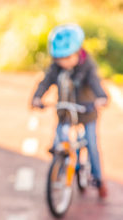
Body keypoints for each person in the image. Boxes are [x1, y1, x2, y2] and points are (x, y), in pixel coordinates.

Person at [31, 24, 108, 198]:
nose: (62, 62)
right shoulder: (56, 67)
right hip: (66, 112)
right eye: (58, 58)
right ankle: (59, 166)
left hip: (87, 112)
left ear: (78, 52)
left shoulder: (87, 65)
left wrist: (101, 97)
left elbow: (96, 83)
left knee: (91, 143)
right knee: (60, 139)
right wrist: (37, 97)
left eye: (67, 57)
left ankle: (99, 179)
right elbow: (45, 82)